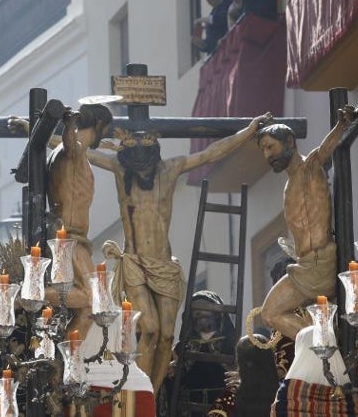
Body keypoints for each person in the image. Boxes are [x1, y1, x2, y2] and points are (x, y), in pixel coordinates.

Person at [95, 112, 272, 392]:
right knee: (149, 328)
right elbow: (81, 150)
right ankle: (138, 394)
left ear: (153, 157)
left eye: (145, 166)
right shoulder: (120, 169)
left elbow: (212, 153)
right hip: (135, 263)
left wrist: (250, 131)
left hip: (165, 265)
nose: (142, 172)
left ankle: (150, 397)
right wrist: (44, 129)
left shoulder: (170, 169)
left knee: (166, 336)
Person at [9, 104, 114, 339]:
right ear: (98, 125)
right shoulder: (73, 151)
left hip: (70, 236)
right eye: (106, 129)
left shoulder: (69, 153)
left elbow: (64, 143)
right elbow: (69, 143)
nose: (106, 135)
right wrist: (70, 124)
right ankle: (29, 295)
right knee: (93, 297)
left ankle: (68, 360)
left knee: (88, 308)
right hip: (68, 237)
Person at [257, 106, 356, 342]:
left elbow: (325, 150)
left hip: (318, 265)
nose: (267, 155)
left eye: (271, 147)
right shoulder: (289, 184)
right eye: (263, 150)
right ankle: (323, 343)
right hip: (306, 265)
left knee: (270, 313)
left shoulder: (309, 168)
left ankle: (322, 344)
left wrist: (343, 125)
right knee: (273, 314)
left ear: (290, 141)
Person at [164, 290, 237, 416]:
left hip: (223, 404)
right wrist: (172, 372)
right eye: (196, 312)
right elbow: (171, 382)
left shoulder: (232, 345)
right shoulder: (181, 348)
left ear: (217, 314)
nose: (200, 314)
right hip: (189, 408)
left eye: (206, 309)